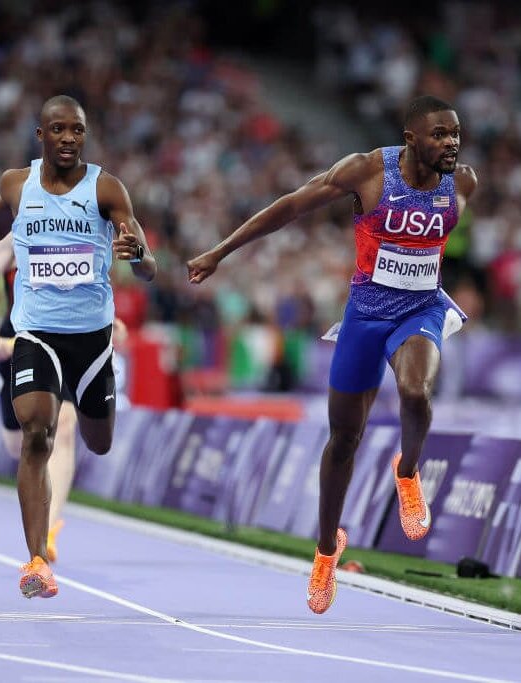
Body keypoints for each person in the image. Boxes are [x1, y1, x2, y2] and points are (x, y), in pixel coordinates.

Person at [187, 95, 477, 615]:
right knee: (343, 439)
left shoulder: (463, 185)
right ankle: (326, 552)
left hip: (421, 311)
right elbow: (290, 207)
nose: (451, 143)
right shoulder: (367, 172)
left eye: (455, 134)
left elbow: (430, 246)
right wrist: (220, 251)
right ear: (411, 139)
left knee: (415, 391)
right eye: (439, 135)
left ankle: (407, 473)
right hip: (366, 316)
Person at [0, 94, 157, 599]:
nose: (68, 139)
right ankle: (37, 559)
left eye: (77, 131)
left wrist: (139, 254)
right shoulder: (17, 185)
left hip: (92, 342)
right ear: (41, 135)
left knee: (98, 440)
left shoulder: (106, 188)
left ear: (85, 135)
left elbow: (147, 265)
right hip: (35, 333)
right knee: (36, 433)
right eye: (58, 129)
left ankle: (92, 411)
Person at [0, 232, 76, 563]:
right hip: (17, 344)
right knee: (19, 444)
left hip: (65, 340)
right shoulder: (17, 232)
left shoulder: (83, 228)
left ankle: (48, 530)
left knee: (65, 426)